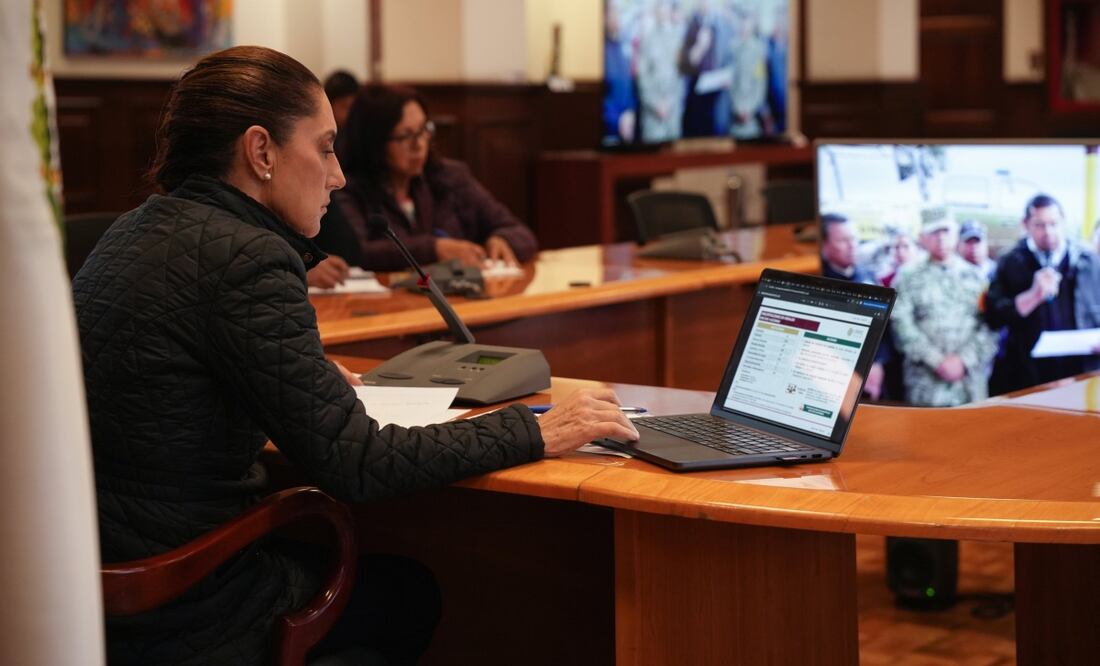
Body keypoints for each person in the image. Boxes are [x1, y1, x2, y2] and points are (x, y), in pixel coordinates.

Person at [71, 46, 638, 665]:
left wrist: (290, 383)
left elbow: (168, 391)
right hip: (189, 603)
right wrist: (536, 432)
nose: (338, 176)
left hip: (94, 583)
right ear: (260, 152)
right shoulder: (248, 257)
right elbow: (358, 463)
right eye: (324, 147)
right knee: (411, 594)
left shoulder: (131, 229)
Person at [329, 84, 538, 271]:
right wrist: (434, 249)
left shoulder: (450, 176)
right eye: (405, 136)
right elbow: (359, 252)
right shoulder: (347, 188)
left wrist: (502, 239)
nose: (419, 145)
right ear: (374, 142)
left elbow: (519, 231)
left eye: (423, 130)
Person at [985, 193, 1100, 394]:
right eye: (1039, 225)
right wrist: (1033, 295)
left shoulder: (1088, 261)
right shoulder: (1010, 262)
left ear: (1063, 221)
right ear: (1026, 224)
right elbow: (993, 317)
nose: (1048, 232)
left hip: (1081, 369)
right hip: (1027, 372)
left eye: (1053, 223)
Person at [891, 208, 998, 406]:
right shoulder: (907, 277)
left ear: (956, 234)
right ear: (922, 237)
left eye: (946, 231)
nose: (941, 239)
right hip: (926, 385)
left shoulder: (976, 277)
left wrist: (964, 360)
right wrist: (937, 361)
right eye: (934, 232)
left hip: (969, 385)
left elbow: (991, 325)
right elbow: (900, 324)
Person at [636, 0, 684, 143]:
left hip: (673, 113)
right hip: (653, 116)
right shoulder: (647, 39)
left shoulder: (678, 39)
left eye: (667, 6)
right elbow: (642, 76)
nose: (664, 10)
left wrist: (670, 103)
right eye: (661, 6)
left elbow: (680, 77)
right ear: (655, 10)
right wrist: (655, 104)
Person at [820, 213, 874, 283]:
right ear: (824, 244)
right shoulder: (818, 278)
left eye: (853, 238)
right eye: (843, 240)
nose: (852, 246)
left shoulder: (868, 274)